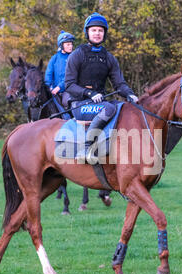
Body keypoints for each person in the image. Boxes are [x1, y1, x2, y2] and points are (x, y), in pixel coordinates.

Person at [65, 12, 138, 162]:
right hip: (79, 105)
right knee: (109, 109)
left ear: (104, 33)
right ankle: (86, 147)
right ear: (87, 32)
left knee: (125, 107)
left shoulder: (109, 57)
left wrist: (130, 95)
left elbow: (119, 83)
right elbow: (69, 85)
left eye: (100, 30)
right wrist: (89, 94)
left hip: (100, 103)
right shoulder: (77, 55)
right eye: (94, 30)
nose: (97, 33)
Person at [45, 30, 75, 107]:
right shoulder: (54, 58)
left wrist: (59, 87)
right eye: (68, 44)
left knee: (66, 102)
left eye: (71, 44)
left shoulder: (73, 58)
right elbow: (49, 73)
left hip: (68, 90)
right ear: (61, 45)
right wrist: (49, 86)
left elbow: (70, 76)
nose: (70, 46)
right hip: (54, 90)